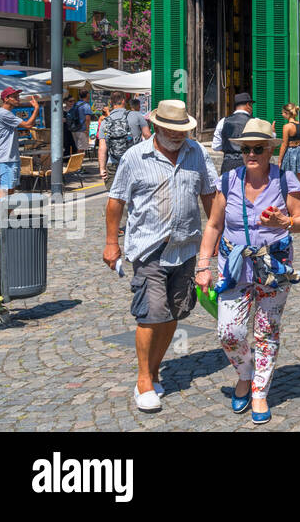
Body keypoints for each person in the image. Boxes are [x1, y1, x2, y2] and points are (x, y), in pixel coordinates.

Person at [102, 99, 217, 413]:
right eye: (171, 129)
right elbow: (115, 203)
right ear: (155, 126)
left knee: (173, 314)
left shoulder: (198, 154)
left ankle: (154, 370)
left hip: (186, 249)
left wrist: (216, 238)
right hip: (149, 249)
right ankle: (143, 380)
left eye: (182, 129)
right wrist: (112, 243)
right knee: (152, 313)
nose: (178, 135)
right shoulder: (135, 157)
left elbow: (210, 195)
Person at [196, 118, 300, 424]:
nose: (251, 153)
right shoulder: (228, 180)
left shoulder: (285, 181)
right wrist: (204, 265)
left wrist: (283, 222)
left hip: (273, 268)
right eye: (246, 148)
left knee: (266, 332)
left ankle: (258, 391)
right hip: (234, 268)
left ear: (270, 149)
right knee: (228, 331)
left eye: (258, 148)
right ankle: (245, 372)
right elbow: (214, 225)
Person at [0, 87, 39, 201]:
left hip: (10, 156)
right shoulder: (3, 113)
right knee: (6, 189)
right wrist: (36, 108)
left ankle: (6, 216)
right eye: (15, 96)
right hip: (6, 158)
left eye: (18, 96)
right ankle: (1, 216)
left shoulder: (5, 113)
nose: (18, 99)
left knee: (10, 189)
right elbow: (28, 125)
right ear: (6, 99)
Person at [97, 91, 134, 194]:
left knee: (114, 195)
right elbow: (148, 137)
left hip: (112, 162)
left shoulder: (105, 121)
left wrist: (102, 168)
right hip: (133, 163)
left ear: (111, 102)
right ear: (123, 101)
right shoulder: (135, 116)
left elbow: (102, 148)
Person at [277, 103, 300, 187]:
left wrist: (279, 160)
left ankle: (293, 199)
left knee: (290, 178)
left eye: (283, 113)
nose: (282, 115)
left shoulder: (286, 127)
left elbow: (284, 144)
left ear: (287, 113)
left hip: (291, 153)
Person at [218, 92, 255, 173]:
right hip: (247, 162)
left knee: (227, 185)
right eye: (251, 105)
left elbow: (216, 146)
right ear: (248, 105)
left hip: (228, 163)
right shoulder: (254, 121)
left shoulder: (223, 121)